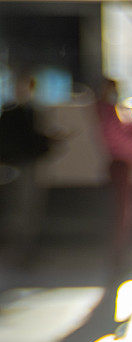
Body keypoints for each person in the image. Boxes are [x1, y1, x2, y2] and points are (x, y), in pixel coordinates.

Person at [0, 74, 53, 262]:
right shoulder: (10, 113)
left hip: (30, 164)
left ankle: (27, 249)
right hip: (17, 164)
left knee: (30, 208)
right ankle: (19, 250)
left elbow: (37, 139)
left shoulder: (34, 112)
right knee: (18, 209)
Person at [96, 78, 132, 269]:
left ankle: (120, 255)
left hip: (124, 164)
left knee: (124, 212)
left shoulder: (113, 110)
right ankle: (118, 257)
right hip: (120, 164)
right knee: (121, 213)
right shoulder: (107, 112)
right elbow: (120, 138)